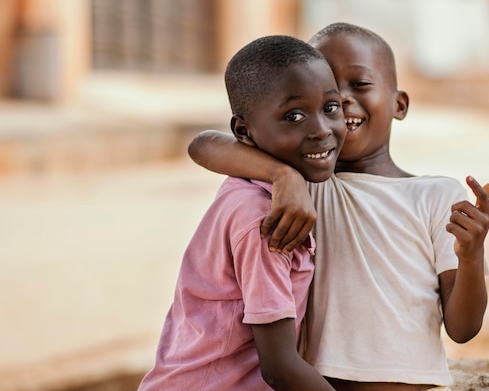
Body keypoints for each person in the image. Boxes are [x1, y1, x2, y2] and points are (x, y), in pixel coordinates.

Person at [187, 23, 489, 391]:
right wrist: (284, 176)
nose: (342, 101)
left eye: (358, 85)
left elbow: (463, 329)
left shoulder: (435, 195)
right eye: (326, 93)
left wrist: (471, 255)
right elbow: (203, 145)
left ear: (399, 103)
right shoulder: (308, 188)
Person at [138, 35, 346, 391]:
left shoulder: (259, 183)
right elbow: (280, 367)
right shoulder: (266, 221)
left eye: (330, 108)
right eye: (294, 116)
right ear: (244, 132)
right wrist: (285, 175)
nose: (321, 130)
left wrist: (286, 175)